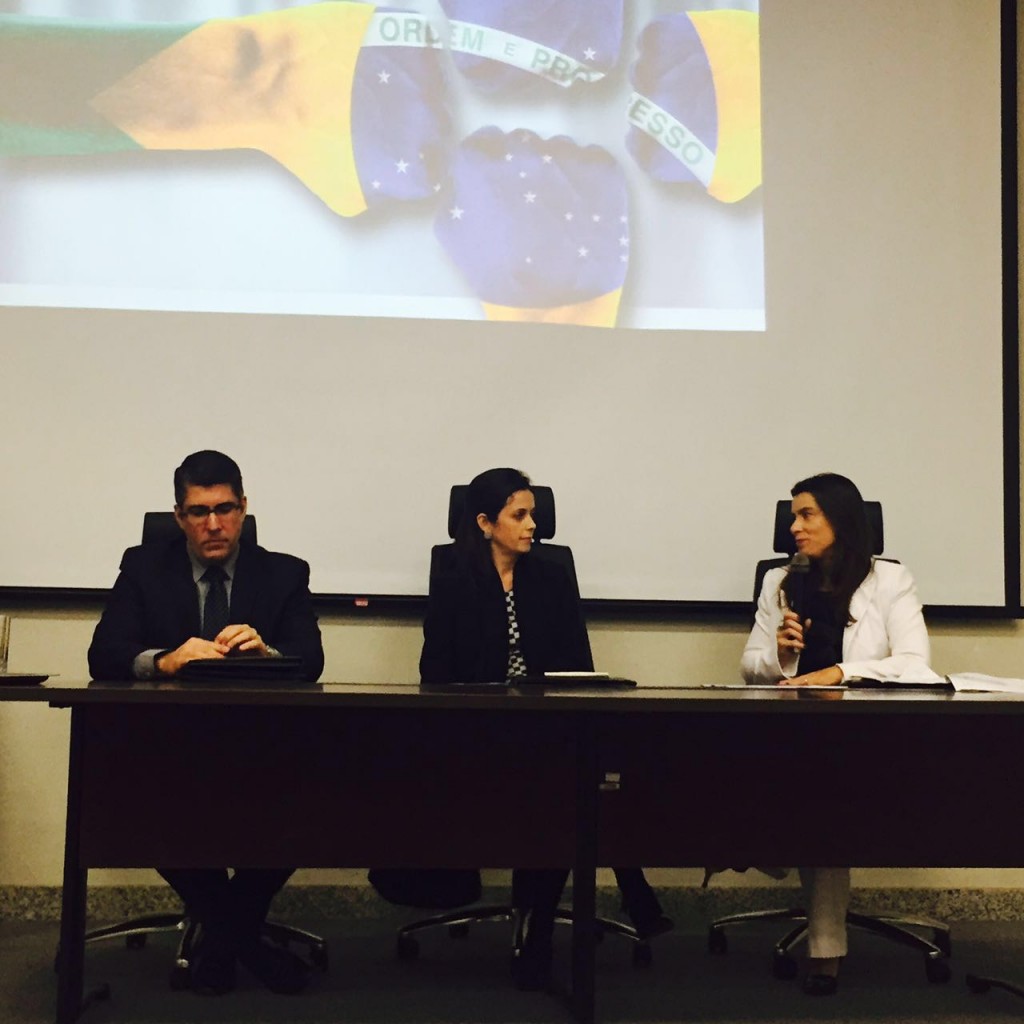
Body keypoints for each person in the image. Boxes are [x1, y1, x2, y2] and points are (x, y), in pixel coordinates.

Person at [420, 467, 669, 989]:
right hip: (478, 733)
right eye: (520, 515)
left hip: (547, 728)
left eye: (533, 514)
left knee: (576, 778)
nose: (533, 525)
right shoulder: (454, 576)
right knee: (566, 786)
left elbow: (577, 665)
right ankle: (626, 892)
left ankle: (537, 926)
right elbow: (435, 672)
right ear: (485, 523)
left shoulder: (551, 575)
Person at [88, 450, 324, 997]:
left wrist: (268, 654)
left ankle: (222, 936)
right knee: (147, 800)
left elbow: (310, 660)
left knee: (311, 798)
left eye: (224, 509)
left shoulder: (284, 572)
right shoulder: (144, 567)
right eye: (198, 512)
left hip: (261, 747)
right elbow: (104, 654)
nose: (213, 524)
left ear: (243, 509)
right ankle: (243, 942)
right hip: (168, 745)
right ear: (179, 517)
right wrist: (164, 660)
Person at [740, 472, 939, 996]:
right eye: (792, 516)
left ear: (841, 520)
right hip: (792, 732)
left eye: (806, 514)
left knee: (819, 789)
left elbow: (915, 664)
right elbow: (750, 667)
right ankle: (767, 848)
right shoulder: (780, 581)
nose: (794, 526)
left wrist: (841, 673)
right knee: (773, 779)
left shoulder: (890, 580)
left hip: (867, 737)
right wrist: (780, 654)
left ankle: (825, 948)